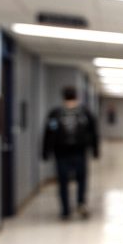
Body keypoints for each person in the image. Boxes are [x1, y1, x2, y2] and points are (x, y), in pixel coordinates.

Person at [42, 86, 99, 219]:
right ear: (76, 96)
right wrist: (95, 149)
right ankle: (73, 206)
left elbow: (48, 134)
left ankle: (70, 208)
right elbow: (94, 132)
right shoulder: (59, 113)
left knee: (67, 180)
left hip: (71, 151)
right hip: (68, 151)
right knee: (76, 179)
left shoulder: (80, 112)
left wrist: (45, 151)